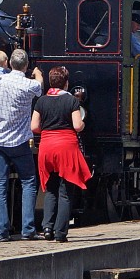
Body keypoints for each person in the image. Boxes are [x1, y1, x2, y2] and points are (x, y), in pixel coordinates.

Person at [0, 48, 44, 241]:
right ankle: (28, 229)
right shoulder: (29, 84)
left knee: (0, 184)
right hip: (19, 141)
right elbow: (40, 88)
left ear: (10, 64)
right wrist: (39, 75)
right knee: (29, 182)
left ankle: (1, 232)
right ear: (25, 66)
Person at [31, 66, 91, 242]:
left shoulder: (41, 101)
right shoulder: (72, 101)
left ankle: (47, 228)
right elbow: (78, 125)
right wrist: (83, 126)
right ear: (66, 83)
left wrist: (49, 130)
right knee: (65, 191)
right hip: (66, 147)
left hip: (47, 146)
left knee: (50, 190)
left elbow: (34, 127)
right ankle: (60, 232)